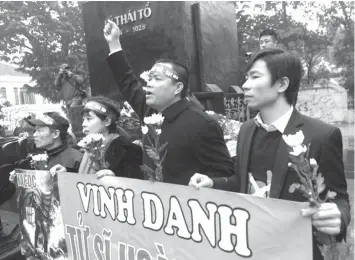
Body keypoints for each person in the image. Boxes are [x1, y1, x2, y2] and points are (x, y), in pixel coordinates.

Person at [189, 48, 350, 260]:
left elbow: (340, 199)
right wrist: (214, 183)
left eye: (255, 76)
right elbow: (243, 180)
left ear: (282, 84)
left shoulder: (321, 135)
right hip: (251, 244)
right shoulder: (246, 130)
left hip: (295, 250)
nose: (245, 84)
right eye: (246, 77)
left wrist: (339, 216)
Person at [103, 20, 235, 185]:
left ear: (178, 87)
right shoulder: (150, 112)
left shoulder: (203, 124)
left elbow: (227, 176)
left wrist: (211, 182)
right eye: (149, 78)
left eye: (157, 79)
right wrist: (114, 44)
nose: (148, 83)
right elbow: (127, 82)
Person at [3, 112, 82, 259]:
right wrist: (18, 180)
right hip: (38, 237)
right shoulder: (33, 158)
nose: (34, 135)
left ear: (56, 133)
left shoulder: (76, 158)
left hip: (67, 238)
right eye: (35, 130)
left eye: (40, 130)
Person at [52, 96, 144, 180]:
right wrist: (66, 172)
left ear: (107, 121)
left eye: (89, 118)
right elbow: (84, 176)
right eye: (83, 119)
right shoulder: (89, 148)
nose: (83, 124)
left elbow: (135, 184)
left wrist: (115, 177)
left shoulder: (129, 150)